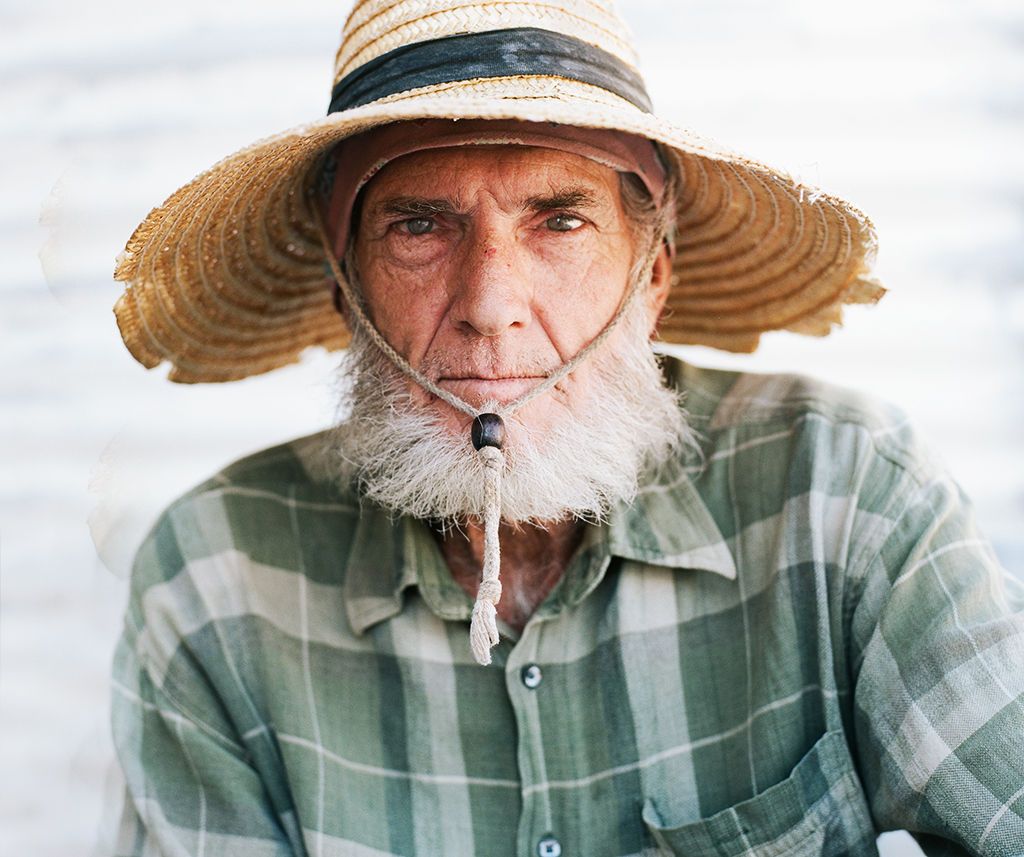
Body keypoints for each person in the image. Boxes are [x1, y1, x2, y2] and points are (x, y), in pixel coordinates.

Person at [106, 1, 1024, 855]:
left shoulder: (844, 489)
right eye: (420, 225)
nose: (489, 304)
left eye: (560, 221)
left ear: (651, 279)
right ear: (348, 291)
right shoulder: (214, 579)